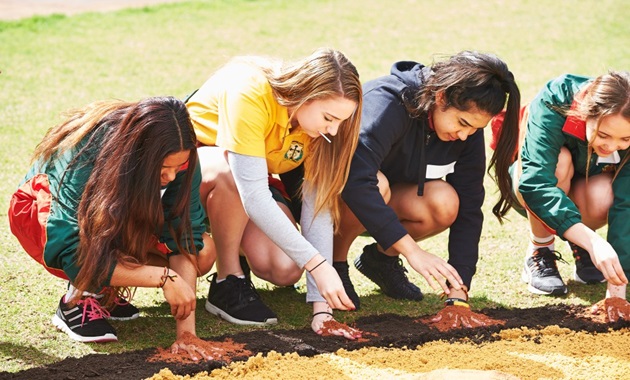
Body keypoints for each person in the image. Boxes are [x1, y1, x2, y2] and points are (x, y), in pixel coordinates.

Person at [8, 97, 217, 360]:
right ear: (141, 153)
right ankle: (78, 299)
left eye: (179, 167)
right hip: (42, 217)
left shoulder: (180, 155)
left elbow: (184, 235)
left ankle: (107, 288)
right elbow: (70, 247)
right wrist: (164, 277)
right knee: (107, 221)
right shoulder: (90, 148)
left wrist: (186, 334)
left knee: (203, 252)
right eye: (164, 168)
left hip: (112, 220)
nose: (172, 177)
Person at [185, 48, 362, 339]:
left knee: (285, 268)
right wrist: (318, 265)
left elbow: (318, 205)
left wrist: (322, 309)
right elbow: (253, 196)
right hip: (192, 171)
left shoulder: (317, 127)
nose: (334, 130)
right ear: (306, 94)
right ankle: (228, 278)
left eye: (342, 121)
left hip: (248, 180)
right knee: (231, 173)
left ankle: (233, 237)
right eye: (329, 118)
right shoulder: (250, 91)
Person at [333, 51, 521, 317]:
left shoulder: (467, 133)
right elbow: (354, 178)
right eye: (462, 123)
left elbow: (469, 206)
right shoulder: (389, 101)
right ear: (441, 96)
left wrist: (459, 288)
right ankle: (334, 262)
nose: (465, 135)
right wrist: (413, 252)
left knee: (445, 202)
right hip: (337, 196)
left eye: (475, 129)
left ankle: (381, 260)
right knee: (376, 183)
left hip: (388, 202)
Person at [510, 71, 630, 313]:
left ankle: (581, 247)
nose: (611, 146)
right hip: (533, 182)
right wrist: (595, 242)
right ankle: (541, 249)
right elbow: (536, 183)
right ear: (586, 113)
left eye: (625, 139)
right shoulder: (556, 98)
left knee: (604, 193)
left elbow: (627, 201)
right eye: (603, 135)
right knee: (559, 162)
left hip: (588, 186)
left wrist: (618, 288)